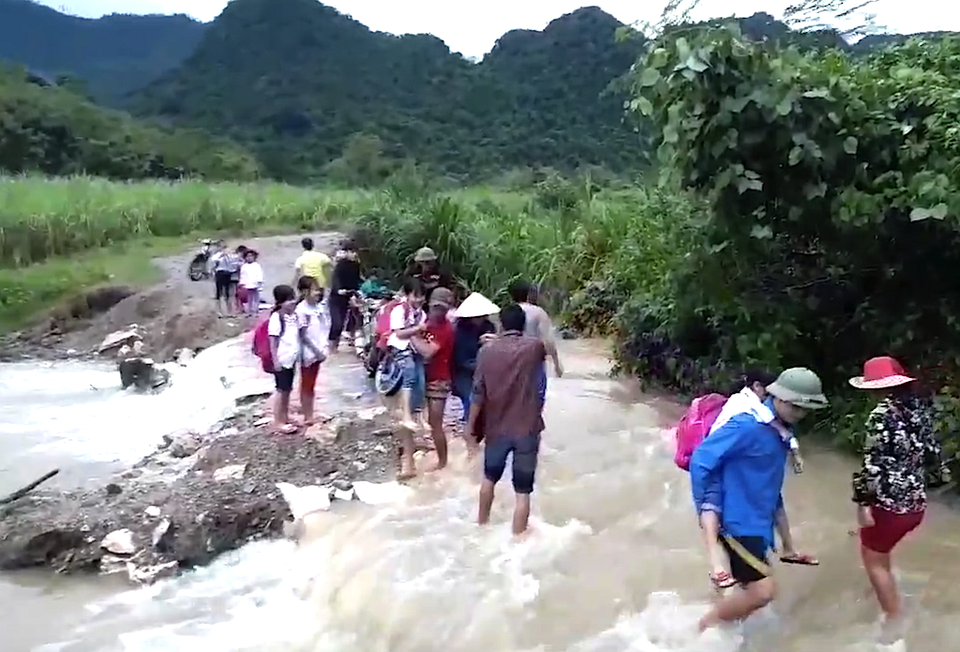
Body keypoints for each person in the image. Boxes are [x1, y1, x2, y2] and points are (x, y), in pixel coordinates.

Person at [690, 367, 827, 632]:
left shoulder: (780, 432)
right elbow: (701, 461)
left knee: (745, 590)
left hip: (758, 523)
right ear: (778, 397)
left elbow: (773, 490)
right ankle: (700, 630)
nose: (800, 414)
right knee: (764, 591)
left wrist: (788, 545)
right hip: (736, 523)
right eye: (795, 406)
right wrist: (706, 512)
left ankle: (723, 634)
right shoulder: (746, 425)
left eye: (804, 409)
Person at [850, 356, 947, 642]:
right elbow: (932, 454)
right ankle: (886, 597)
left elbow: (872, 465)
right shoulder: (918, 409)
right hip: (915, 504)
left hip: (888, 505)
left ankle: (893, 625)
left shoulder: (880, 416)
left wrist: (862, 504)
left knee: (872, 559)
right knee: (881, 552)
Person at [465, 304, 547, 537]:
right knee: (523, 492)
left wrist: (470, 427)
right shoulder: (534, 348)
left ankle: (481, 527)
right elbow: (545, 349)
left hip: (497, 428)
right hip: (527, 429)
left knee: (489, 479)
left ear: (500, 324)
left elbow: (478, 393)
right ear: (522, 324)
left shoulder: (486, 352)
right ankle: (517, 541)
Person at [386, 277, 427, 477]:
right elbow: (399, 334)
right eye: (416, 295)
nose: (419, 299)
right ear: (407, 295)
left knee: (419, 381)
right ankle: (407, 416)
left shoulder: (422, 314)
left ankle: (415, 416)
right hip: (400, 348)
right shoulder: (399, 311)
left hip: (414, 350)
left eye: (422, 296)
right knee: (410, 374)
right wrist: (417, 330)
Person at [413, 287, 456, 472]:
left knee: (435, 423)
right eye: (435, 307)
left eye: (442, 308)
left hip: (439, 379)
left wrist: (410, 335)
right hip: (425, 376)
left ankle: (443, 463)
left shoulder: (446, 329)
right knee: (421, 418)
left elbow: (428, 352)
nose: (438, 311)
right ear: (429, 305)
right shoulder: (426, 321)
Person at [451, 292, 500, 426]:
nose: (481, 319)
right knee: (470, 399)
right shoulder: (459, 331)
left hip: (483, 367)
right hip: (464, 370)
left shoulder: (488, 326)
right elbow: (461, 358)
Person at [295, 275, 328, 426]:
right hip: (309, 353)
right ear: (304, 292)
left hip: (317, 352)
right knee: (307, 385)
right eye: (314, 290)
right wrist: (316, 352)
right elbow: (303, 336)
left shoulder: (317, 308)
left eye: (318, 290)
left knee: (311, 384)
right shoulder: (302, 310)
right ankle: (307, 416)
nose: (317, 293)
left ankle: (310, 413)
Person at [268, 284, 300, 434]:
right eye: (288, 300)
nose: (292, 302)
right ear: (280, 302)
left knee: (287, 390)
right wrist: (275, 360)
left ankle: (285, 417)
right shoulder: (277, 317)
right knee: (281, 391)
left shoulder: (293, 316)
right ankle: (279, 422)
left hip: (291, 359)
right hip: (282, 359)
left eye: (293, 299)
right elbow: (273, 340)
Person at [328, 239, 362, 352]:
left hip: (349, 295)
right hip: (336, 298)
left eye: (354, 252)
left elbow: (356, 280)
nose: (354, 254)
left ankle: (352, 341)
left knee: (355, 318)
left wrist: (357, 292)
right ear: (346, 253)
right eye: (351, 252)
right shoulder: (340, 265)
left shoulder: (356, 265)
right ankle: (332, 347)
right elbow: (335, 278)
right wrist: (338, 289)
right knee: (337, 323)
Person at [211, 245, 241, 316]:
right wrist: (221, 254)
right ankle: (219, 311)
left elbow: (235, 264)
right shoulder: (218, 256)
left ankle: (229, 311)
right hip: (220, 273)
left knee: (227, 293)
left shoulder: (231, 257)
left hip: (228, 274)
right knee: (219, 292)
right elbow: (213, 260)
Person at [239, 249, 264, 316]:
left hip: (255, 283)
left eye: (251, 256)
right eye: (248, 256)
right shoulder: (244, 266)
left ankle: (255, 310)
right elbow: (242, 275)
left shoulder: (256, 265)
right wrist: (242, 283)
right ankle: (249, 311)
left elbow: (259, 274)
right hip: (247, 284)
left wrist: (259, 282)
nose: (249, 258)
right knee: (249, 298)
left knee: (256, 297)